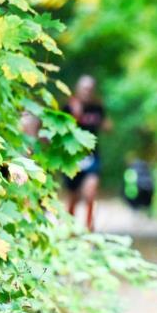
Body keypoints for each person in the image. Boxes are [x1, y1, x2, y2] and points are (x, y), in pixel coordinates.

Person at [64, 75, 112, 230]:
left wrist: (106, 124)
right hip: (72, 157)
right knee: (73, 197)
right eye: (84, 88)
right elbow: (60, 132)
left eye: (90, 89)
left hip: (92, 155)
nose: (87, 91)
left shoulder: (97, 108)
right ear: (78, 89)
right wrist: (76, 115)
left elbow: (107, 127)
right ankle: (70, 230)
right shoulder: (68, 107)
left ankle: (89, 229)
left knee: (91, 192)